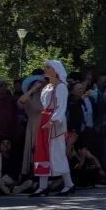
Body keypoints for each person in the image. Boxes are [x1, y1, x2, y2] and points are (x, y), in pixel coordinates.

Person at [31, 61, 75, 197]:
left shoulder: (61, 87)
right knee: (42, 151)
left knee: (57, 151)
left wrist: (54, 121)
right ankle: (43, 186)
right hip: (44, 119)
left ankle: (69, 184)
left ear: (56, 70)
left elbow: (61, 106)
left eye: (48, 67)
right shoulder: (47, 87)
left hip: (54, 121)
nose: (46, 69)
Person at [19, 73, 45, 181]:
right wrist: (33, 89)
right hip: (33, 126)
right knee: (33, 147)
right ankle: (31, 173)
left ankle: (44, 172)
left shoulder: (45, 97)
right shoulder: (28, 98)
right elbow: (20, 102)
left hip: (45, 125)